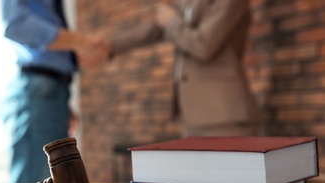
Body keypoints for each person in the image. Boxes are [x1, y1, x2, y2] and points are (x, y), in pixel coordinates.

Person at [107, 0, 258, 137]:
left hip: (223, 115)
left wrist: (171, 21)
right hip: (191, 115)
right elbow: (156, 27)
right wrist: (110, 46)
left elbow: (203, 44)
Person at [0, 0, 108, 183]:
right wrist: (78, 41)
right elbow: (16, 25)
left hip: (53, 92)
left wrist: (60, 100)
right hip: (39, 90)